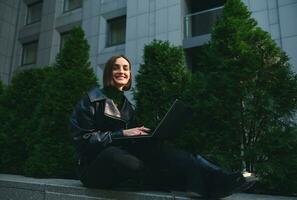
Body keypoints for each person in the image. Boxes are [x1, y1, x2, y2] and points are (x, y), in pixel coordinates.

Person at [70, 55, 256, 198]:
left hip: (121, 162)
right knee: (123, 159)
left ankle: (216, 179)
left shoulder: (127, 106)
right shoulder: (90, 100)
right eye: (116, 67)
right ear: (108, 72)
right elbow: (83, 140)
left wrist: (149, 136)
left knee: (162, 151)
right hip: (92, 167)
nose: (122, 71)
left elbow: (131, 142)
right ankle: (200, 181)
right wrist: (123, 133)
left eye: (126, 68)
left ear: (129, 75)